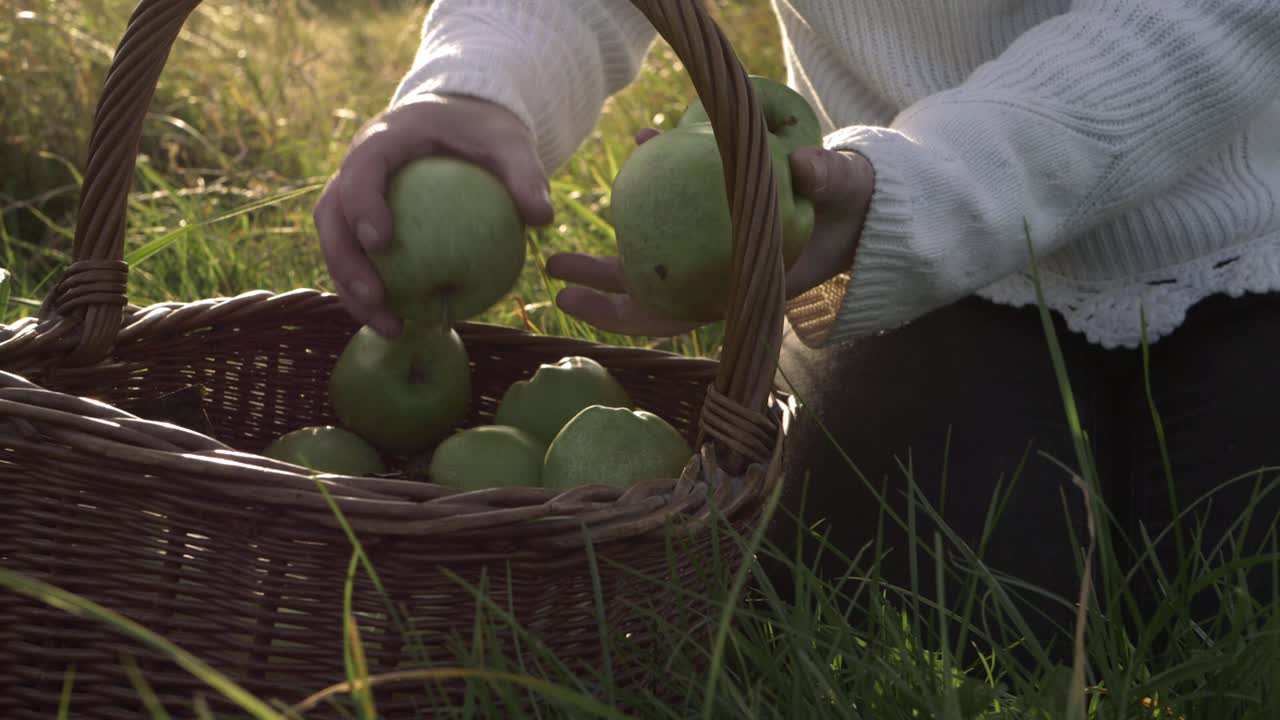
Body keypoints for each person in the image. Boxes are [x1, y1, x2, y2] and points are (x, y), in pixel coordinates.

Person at [314, 0, 1280, 659]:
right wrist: (480, 84)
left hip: (1238, 229)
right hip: (878, 244)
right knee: (963, 612)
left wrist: (921, 188)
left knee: (1228, 602)